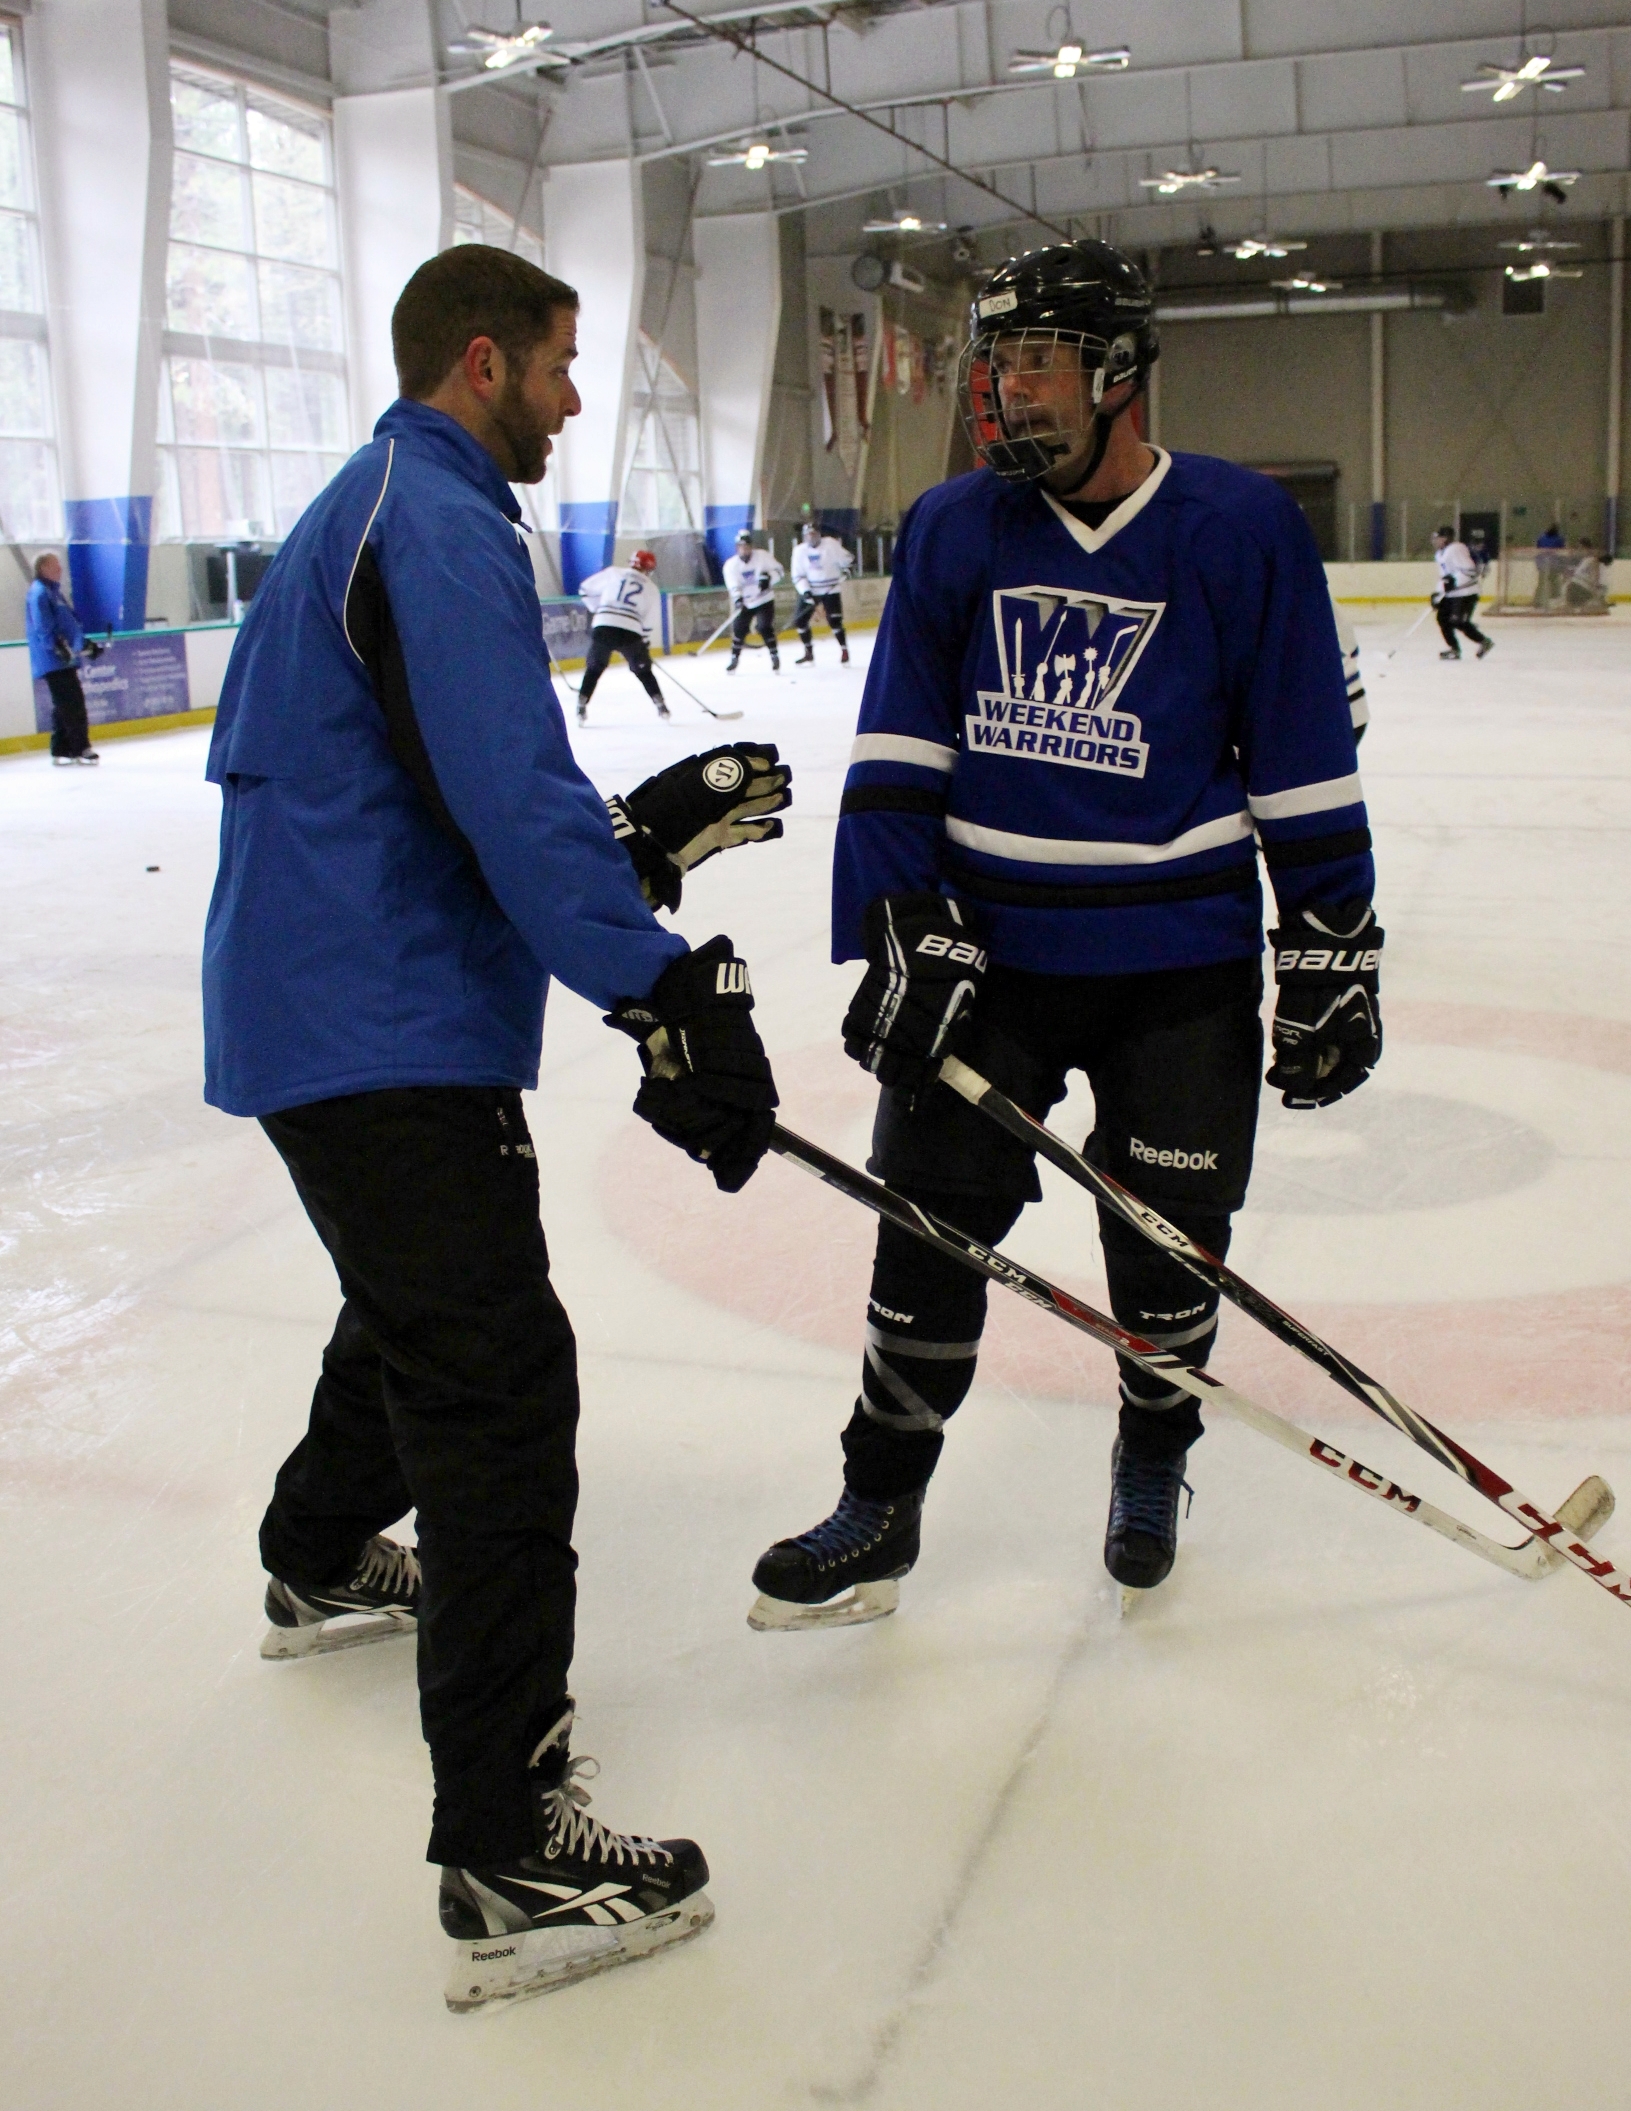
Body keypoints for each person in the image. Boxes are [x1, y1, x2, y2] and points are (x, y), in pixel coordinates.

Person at [201, 244, 792, 2010]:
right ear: (482, 361)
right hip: (371, 1018)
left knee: (415, 1317)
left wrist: (635, 851)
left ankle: (313, 1556)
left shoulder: (397, 502)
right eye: (558, 363)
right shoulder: (440, 519)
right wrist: (659, 987)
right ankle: (507, 1847)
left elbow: (460, 787)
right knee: (495, 1386)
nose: (573, 395)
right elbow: (503, 797)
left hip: (346, 1002)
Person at [746, 239, 1381, 1631]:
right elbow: (899, 747)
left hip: (1178, 970)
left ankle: (1150, 1457)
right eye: (997, 361)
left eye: (1034, 360)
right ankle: (880, 1504)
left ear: (1115, 371)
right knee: (924, 1237)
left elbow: (1297, 757)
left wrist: (1329, 944)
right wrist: (900, 917)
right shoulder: (953, 527)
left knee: (1169, 1249)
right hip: (997, 964)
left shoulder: (1235, 527)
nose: (1003, 391)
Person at [574, 547, 669, 724]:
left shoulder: (614, 573)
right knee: (643, 671)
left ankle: (581, 705)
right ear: (648, 569)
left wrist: (600, 609)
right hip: (630, 630)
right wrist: (644, 644)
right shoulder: (651, 588)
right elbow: (650, 620)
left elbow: (584, 589)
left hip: (603, 626)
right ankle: (661, 705)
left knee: (594, 668)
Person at [26, 552, 104, 765]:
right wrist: (57, 647)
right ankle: (81, 747)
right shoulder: (39, 593)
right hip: (53, 660)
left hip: (64, 658)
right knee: (72, 703)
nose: (60, 569)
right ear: (43, 568)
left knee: (64, 704)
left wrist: (84, 645)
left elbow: (69, 625)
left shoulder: (54, 593)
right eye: (55, 566)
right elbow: (43, 627)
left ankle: (60, 748)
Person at [790, 519, 853, 664]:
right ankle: (808, 652)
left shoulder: (831, 544)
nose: (811, 537)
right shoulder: (799, 551)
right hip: (810, 589)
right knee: (800, 621)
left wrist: (848, 568)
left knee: (835, 621)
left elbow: (848, 560)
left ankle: (844, 650)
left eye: (813, 534)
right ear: (804, 536)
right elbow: (797, 575)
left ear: (819, 534)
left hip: (830, 589)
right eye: (808, 535)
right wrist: (805, 591)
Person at [722, 527, 784, 672]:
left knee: (764, 627)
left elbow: (779, 571)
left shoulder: (763, 556)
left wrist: (769, 579)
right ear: (737, 548)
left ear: (751, 546)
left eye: (747, 546)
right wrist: (738, 599)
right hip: (746, 602)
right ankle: (734, 659)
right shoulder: (731, 565)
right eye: (741, 547)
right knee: (739, 629)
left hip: (764, 600)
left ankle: (774, 656)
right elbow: (733, 585)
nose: (744, 550)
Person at [1431, 525, 1494, 659]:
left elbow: (1469, 571)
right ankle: (1454, 649)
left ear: (1446, 538)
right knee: (1442, 619)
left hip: (1467, 593)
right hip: (1452, 594)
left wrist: (1454, 581)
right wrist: (1438, 593)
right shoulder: (1440, 554)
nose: (1436, 541)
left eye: (1439, 538)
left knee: (1458, 622)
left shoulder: (1456, 549)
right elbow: (1445, 576)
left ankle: (1484, 641)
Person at [1564, 536, 1610, 611]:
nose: (1578, 550)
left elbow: (1595, 576)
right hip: (1578, 587)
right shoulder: (1588, 560)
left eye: (1579, 547)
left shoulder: (1591, 560)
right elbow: (1594, 577)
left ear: (1583, 547)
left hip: (1578, 587)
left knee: (1572, 606)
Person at [1535, 521, 1566, 610]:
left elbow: (1538, 550)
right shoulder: (1559, 539)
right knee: (1554, 584)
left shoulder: (1542, 538)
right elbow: (1561, 552)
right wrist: (1562, 565)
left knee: (1541, 584)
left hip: (1543, 565)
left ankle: (1538, 602)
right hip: (1553, 565)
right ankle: (1555, 601)